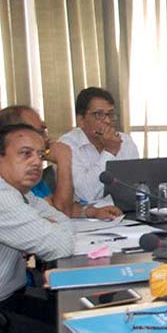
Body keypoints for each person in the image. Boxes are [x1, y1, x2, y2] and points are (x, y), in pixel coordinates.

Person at [0, 106, 121, 220]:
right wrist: (63, 159)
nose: (47, 138)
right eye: (39, 132)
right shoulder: (11, 184)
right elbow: (62, 212)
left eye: (44, 131)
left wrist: (91, 212)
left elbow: (54, 210)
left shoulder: (29, 177)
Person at [0, 124, 74, 307]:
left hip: (13, 295)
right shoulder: (3, 197)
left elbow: (63, 220)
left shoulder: (22, 192)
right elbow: (60, 246)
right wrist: (47, 225)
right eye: (26, 153)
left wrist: (45, 224)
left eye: (41, 155)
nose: (36, 162)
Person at [59, 87, 139, 206]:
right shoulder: (67, 145)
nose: (107, 120)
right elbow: (86, 195)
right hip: (86, 215)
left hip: (125, 209)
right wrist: (110, 151)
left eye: (110, 114)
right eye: (99, 114)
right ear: (81, 120)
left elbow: (135, 187)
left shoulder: (125, 141)